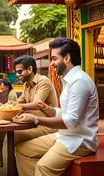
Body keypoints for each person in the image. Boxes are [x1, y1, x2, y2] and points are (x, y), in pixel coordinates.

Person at [14, 38, 99, 176]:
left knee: (43, 167)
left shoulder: (79, 82)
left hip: (79, 140)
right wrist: (48, 109)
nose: (52, 63)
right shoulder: (69, 80)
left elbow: (70, 122)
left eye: (54, 58)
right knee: (22, 149)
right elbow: (65, 113)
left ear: (67, 58)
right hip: (63, 135)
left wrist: (35, 119)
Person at [13, 55, 58, 145]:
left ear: (30, 69)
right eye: (16, 72)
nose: (17, 75)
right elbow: (20, 102)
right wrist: (11, 104)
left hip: (48, 125)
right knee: (3, 134)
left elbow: (36, 104)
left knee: (13, 136)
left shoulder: (43, 81)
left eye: (19, 71)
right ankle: (2, 158)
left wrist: (17, 106)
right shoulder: (26, 85)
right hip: (33, 123)